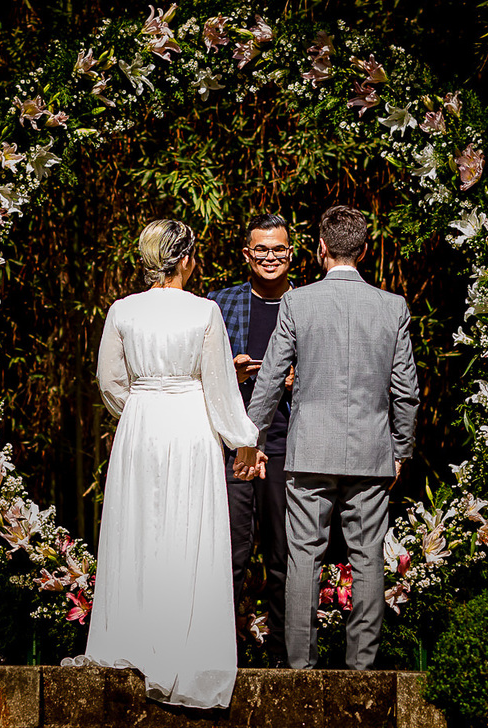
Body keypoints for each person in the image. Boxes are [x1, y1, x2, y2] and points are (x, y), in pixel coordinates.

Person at [84, 218, 258, 709]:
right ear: (185, 259)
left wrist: (141, 407)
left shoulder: (122, 311)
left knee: (138, 528)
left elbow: (110, 381)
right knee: (188, 530)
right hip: (189, 425)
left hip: (140, 426)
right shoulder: (204, 312)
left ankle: (135, 637)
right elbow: (221, 387)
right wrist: (243, 438)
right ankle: (185, 647)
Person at [236, 205, 419, 671]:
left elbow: (272, 378)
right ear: (362, 250)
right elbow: (406, 392)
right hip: (371, 453)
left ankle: (300, 667)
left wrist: (250, 439)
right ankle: (361, 669)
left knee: (303, 558)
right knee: (367, 560)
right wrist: (401, 450)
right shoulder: (392, 306)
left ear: (320, 248)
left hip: (308, 452)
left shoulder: (299, 302)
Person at [206, 213, 294, 665]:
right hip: (234, 447)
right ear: (246, 254)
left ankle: (283, 655)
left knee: (285, 555)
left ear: (292, 252)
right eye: (261, 249)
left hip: (287, 447)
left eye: (278, 248)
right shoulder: (217, 305)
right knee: (231, 554)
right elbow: (195, 373)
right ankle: (224, 653)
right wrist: (229, 373)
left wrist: (302, 380)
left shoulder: (308, 303)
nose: (270, 257)